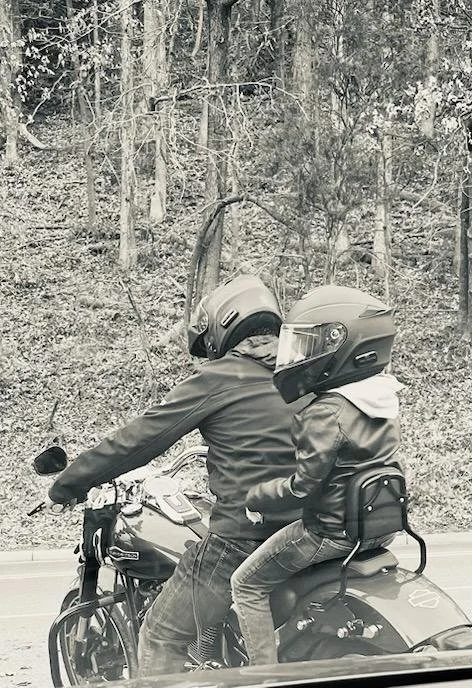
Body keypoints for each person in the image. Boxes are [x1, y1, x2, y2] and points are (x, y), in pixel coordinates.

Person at [45, 274, 307, 676]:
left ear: (223, 329)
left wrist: (66, 485)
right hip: (313, 529)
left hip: (246, 537)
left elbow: (137, 440)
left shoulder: (220, 378)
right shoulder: (305, 371)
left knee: (161, 635)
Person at [230, 284, 404, 666]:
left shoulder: (325, 412)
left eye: (310, 345)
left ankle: (264, 676)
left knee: (245, 584)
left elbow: (303, 488)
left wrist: (256, 496)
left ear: (343, 346)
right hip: (378, 526)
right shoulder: (381, 398)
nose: (300, 356)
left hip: (330, 532)